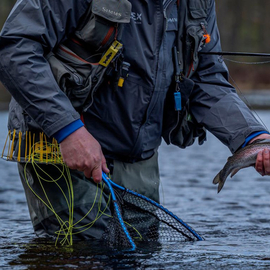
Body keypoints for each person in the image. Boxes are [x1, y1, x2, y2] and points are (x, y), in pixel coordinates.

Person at [0, 0, 270, 241]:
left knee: (140, 253)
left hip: (138, 157)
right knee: (86, 254)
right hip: (59, 147)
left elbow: (207, 80)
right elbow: (14, 49)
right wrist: (68, 130)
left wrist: (253, 137)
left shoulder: (197, 4)